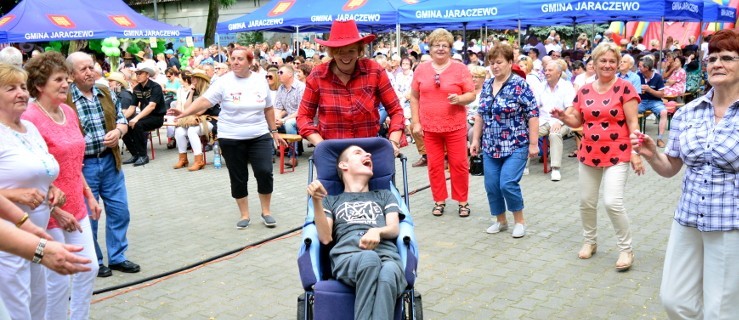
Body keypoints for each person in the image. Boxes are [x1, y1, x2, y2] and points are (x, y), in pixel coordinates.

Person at [632, 29, 739, 319]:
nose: (717, 63)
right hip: (689, 218)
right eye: (712, 57)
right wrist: (653, 154)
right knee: (674, 299)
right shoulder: (688, 112)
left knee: (721, 310)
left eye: (728, 57)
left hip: (730, 222)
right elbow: (671, 168)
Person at [21, 51, 102, 319]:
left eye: (67, 79)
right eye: (59, 80)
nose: (66, 84)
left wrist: (88, 194)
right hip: (47, 211)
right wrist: (55, 210)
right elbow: (32, 173)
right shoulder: (30, 118)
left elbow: (74, 162)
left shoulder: (68, 111)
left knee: (88, 267)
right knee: (55, 282)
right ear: (39, 85)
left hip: (76, 205)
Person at [169, 46, 286, 229]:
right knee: (238, 176)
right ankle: (245, 215)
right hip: (231, 136)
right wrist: (184, 113)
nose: (235, 62)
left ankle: (266, 212)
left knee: (264, 172)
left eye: (240, 59)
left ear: (250, 62)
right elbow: (205, 101)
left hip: (259, 135)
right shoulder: (223, 82)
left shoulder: (259, 81)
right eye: (232, 59)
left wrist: (274, 132)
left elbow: (268, 108)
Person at [551, 42, 644, 271]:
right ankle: (590, 242)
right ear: (594, 62)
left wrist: (635, 152)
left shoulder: (625, 89)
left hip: (618, 152)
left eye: (613, 61)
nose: (608, 65)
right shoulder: (583, 90)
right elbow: (577, 121)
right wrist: (563, 117)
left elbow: (633, 123)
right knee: (586, 202)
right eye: (603, 60)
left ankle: (626, 249)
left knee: (612, 202)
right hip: (589, 152)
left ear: (618, 63)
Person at [306, 145, 406, 320]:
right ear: (343, 165)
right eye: (358, 153)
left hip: (387, 256)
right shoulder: (331, 200)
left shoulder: (384, 195)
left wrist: (377, 231)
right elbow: (325, 237)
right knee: (369, 258)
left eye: (367, 153)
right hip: (348, 256)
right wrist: (316, 201)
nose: (368, 154)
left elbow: (394, 228)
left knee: (389, 271)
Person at [66, 52, 141, 277]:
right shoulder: (64, 99)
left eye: (91, 67)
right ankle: (95, 260)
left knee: (120, 211)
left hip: (110, 161)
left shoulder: (105, 92)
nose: (89, 72)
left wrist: (118, 131)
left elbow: (122, 119)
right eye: (83, 69)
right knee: (90, 216)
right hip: (83, 167)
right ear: (71, 75)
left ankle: (117, 257)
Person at [0, 62, 64, 320]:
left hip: (37, 232)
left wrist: (52, 189)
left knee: (39, 299)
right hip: (8, 240)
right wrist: (13, 196)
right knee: (16, 307)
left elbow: (41, 170)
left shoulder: (30, 128)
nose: (22, 93)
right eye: (10, 88)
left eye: (23, 87)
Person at [296, 20, 405, 155]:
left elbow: (396, 110)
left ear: (359, 50)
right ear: (331, 52)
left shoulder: (374, 71)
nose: (345, 56)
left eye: (351, 50)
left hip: (369, 150)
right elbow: (303, 116)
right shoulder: (318, 75)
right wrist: (321, 145)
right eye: (339, 51)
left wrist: (393, 142)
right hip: (333, 151)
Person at [469, 44, 539, 238]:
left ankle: (520, 221)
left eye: (499, 62)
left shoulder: (520, 85)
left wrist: (533, 144)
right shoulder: (487, 86)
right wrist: (475, 140)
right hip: (491, 145)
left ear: (510, 62)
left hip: (516, 143)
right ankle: (501, 221)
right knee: (491, 185)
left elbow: (533, 114)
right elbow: (480, 114)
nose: (495, 66)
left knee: (507, 183)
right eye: (492, 63)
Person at [410, 28, 476, 218]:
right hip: (430, 127)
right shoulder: (421, 69)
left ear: (450, 48)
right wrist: (416, 122)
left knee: (459, 164)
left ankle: (462, 201)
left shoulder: (460, 68)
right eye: (436, 45)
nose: (440, 49)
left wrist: (461, 99)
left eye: (444, 45)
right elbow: (414, 97)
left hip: (455, 125)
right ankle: (439, 200)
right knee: (434, 165)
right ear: (429, 48)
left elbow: (471, 94)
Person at [532, 59, 574, 181]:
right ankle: (523, 165)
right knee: (527, 133)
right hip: (543, 120)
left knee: (555, 134)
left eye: (550, 70)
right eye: (545, 70)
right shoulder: (540, 86)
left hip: (562, 121)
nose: (546, 72)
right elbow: (534, 106)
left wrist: (560, 121)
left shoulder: (566, 86)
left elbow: (570, 107)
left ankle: (555, 169)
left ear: (558, 73)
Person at [172, 70, 219, 171]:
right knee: (179, 131)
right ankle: (183, 159)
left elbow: (201, 111)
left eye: (194, 78)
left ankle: (199, 161)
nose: (191, 80)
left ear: (200, 80)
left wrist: (189, 115)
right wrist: (191, 92)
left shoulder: (209, 92)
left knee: (192, 131)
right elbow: (186, 107)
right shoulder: (193, 90)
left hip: (211, 120)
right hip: (196, 120)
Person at [121, 67, 165, 166]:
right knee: (124, 126)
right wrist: (121, 119)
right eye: (137, 74)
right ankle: (135, 154)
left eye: (141, 73)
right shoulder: (137, 89)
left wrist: (136, 118)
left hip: (156, 117)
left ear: (148, 75)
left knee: (137, 125)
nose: (138, 76)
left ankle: (143, 156)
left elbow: (151, 106)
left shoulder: (155, 87)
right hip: (143, 117)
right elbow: (132, 107)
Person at [637, 56, 668, 147]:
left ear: (647, 68)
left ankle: (660, 138)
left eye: (641, 66)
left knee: (664, 112)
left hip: (655, 102)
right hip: (641, 101)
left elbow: (661, 94)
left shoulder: (657, 77)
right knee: (630, 111)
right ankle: (637, 137)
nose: (639, 68)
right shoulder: (638, 75)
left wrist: (649, 90)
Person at [274, 65, 305, 137]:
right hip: (288, 117)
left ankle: (293, 147)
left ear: (290, 74)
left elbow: (301, 111)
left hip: (301, 117)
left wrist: (283, 120)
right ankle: (280, 147)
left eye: (281, 72)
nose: (278, 74)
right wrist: (277, 117)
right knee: (270, 123)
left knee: (288, 124)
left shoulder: (301, 87)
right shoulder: (281, 88)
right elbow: (278, 107)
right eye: (278, 72)